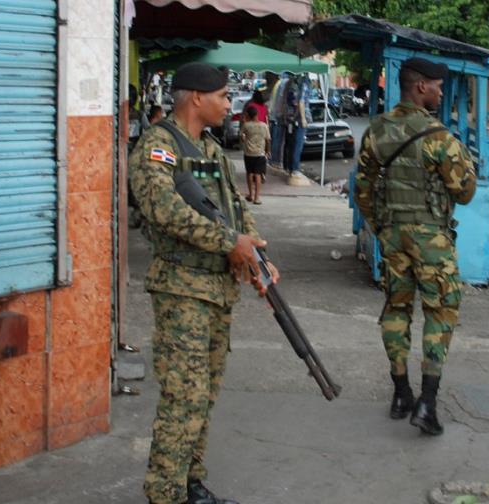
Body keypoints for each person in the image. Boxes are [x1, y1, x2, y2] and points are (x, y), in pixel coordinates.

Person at [129, 62, 278, 504]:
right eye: (223, 96)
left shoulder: (210, 150)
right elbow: (163, 211)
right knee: (183, 398)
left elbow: (234, 210)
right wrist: (231, 243)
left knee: (205, 396)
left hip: (216, 290)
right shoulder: (158, 147)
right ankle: (164, 494)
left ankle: (190, 484)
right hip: (182, 290)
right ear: (197, 97)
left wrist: (258, 257)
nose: (229, 104)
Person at [354, 57, 477, 436]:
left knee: (396, 307)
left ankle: (400, 392)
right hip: (431, 239)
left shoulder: (377, 130)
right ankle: (427, 401)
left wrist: (383, 227)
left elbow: (363, 190)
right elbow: (466, 191)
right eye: (438, 85)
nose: (441, 92)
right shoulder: (439, 138)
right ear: (421, 86)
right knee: (441, 311)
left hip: (393, 237)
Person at [240, 106, 270, 204]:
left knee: (249, 173)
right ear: (257, 115)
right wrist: (267, 151)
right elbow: (268, 140)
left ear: (248, 115)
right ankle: (257, 198)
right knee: (258, 175)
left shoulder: (246, 126)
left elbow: (242, 138)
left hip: (249, 153)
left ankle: (250, 195)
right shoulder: (264, 125)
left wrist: (244, 122)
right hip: (260, 153)